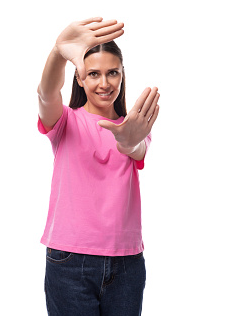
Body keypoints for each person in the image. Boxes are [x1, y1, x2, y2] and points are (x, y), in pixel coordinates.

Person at [37, 17, 160, 316]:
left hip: (127, 264)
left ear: (122, 76)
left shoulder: (134, 127)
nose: (104, 83)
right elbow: (46, 94)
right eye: (93, 74)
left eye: (112, 73)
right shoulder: (66, 121)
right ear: (79, 78)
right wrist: (57, 53)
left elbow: (138, 148)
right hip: (70, 261)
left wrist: (130, 142)